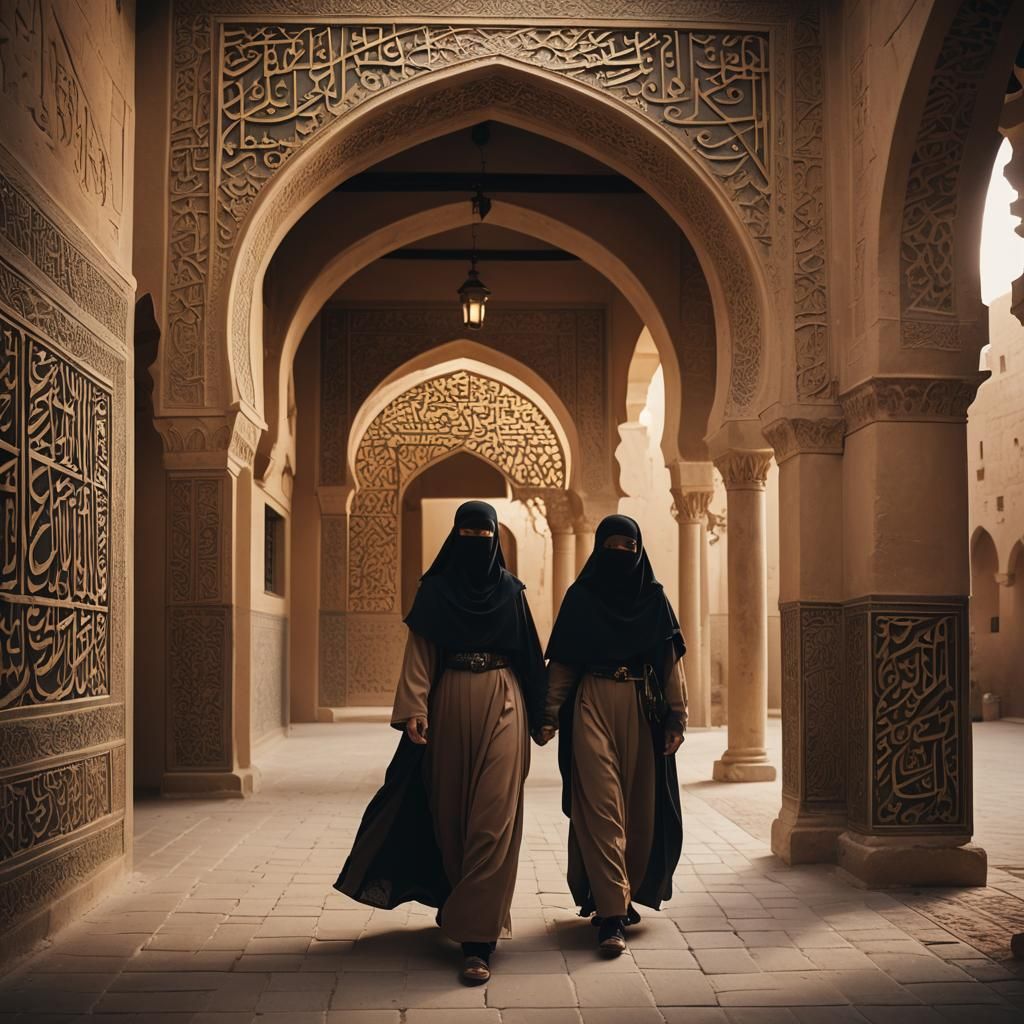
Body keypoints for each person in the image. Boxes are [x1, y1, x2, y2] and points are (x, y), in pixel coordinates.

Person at [335, 501, 546, 984]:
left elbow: (530, 656)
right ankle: (464, 907)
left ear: (495, 538)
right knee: (451, 816)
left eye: (484, 535)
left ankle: (478, 939)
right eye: (468, 535)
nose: (477, 543)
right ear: (455, 538)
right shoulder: (435, 591)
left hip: (504, 702)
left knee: (494, 818)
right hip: (448, 701)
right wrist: (415, 707)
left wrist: (543, 715)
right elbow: (421, 652)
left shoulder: (511, 592)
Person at [536, 514, 687, 955]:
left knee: (639, 811)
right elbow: (564, 664)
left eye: (628, 547)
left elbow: (670, 663)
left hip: (642, 709)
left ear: (639, 551)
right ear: (599, 548)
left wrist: (677, 718)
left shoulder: (654, 599)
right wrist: (548, 716)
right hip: (592, 705)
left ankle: (623, 894)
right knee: (601, 809)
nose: (620, 554)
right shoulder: (581, 598)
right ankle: (611, 914)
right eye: (612, 546)